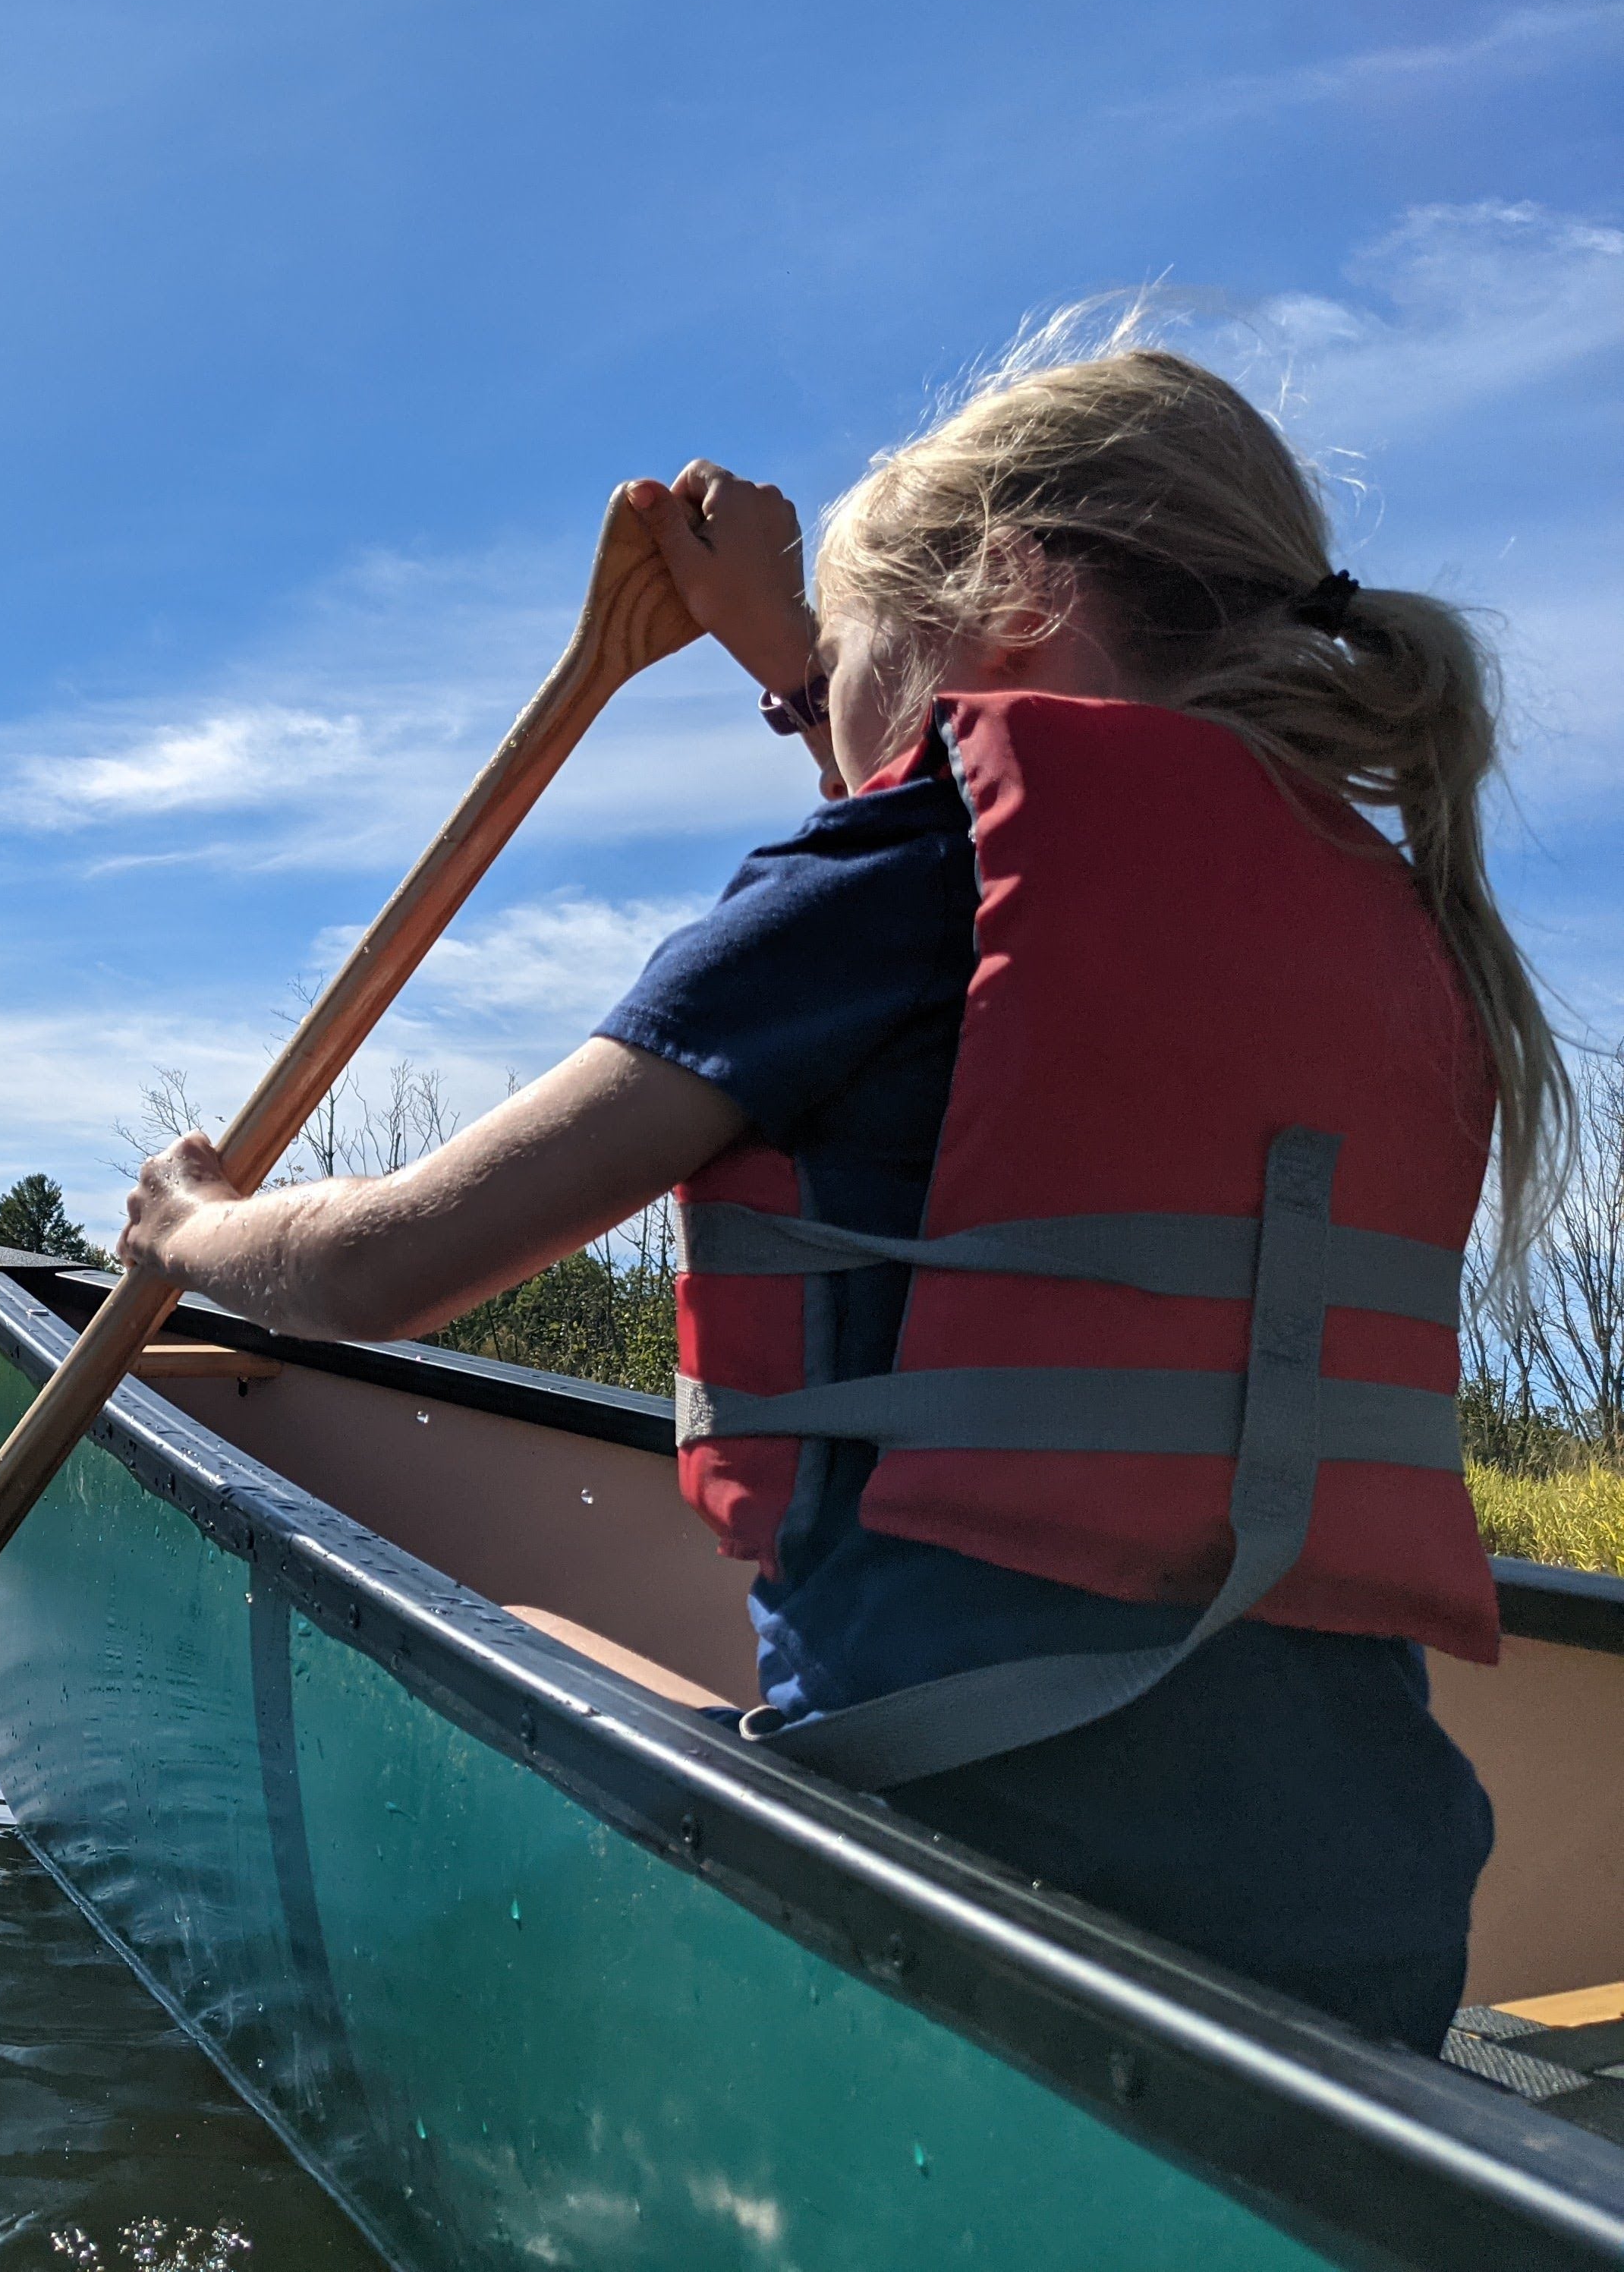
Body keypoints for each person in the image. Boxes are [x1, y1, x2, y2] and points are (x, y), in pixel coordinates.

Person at [115, 317, 1569, 2055]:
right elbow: (970, 865)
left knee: (516, 1634)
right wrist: (805, 650)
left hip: (978, 1882)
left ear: (1017, 602)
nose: (830, 732)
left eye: (853, 672)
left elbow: (374, 1277)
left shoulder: (889, 876)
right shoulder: (1403, 922)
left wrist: (191, 1228)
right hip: (1373, 1923)